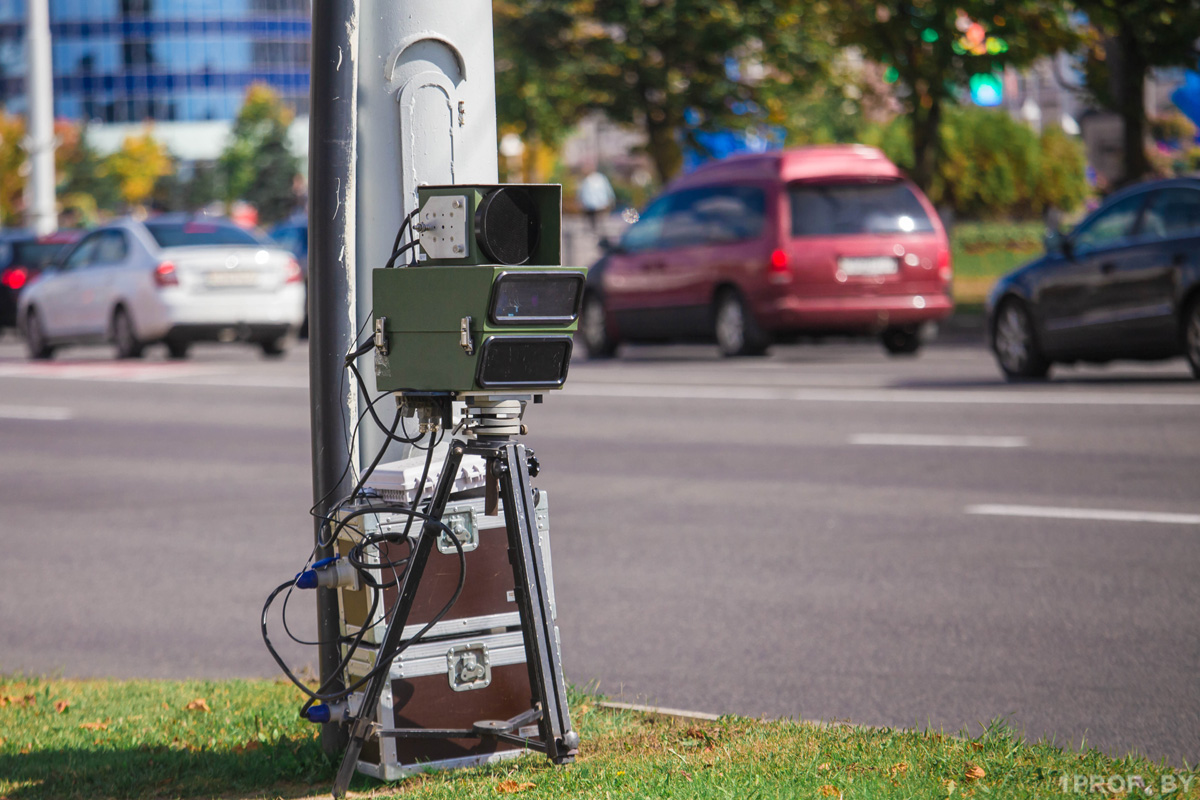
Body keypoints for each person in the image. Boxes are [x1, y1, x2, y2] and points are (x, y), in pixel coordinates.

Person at [577, 167, 615, 232]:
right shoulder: (592, 179)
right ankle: (596, 230)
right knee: (595, 219)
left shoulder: (595, 179)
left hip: (596, 204)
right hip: (594, 204)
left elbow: (581, 192)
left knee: (596, 219)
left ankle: (596, 230)